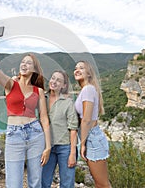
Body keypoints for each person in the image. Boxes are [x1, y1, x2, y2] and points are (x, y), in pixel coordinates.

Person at [0, 28, 51, 188]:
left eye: (28, 62)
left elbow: (44, 118)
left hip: (35, 133)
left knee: (35, 181)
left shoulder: (38, 90)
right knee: (13, 183)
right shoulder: (10, 84)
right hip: (14, 134)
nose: (24, 64)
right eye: (22, 62)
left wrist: (48, 146)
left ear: (34, 69)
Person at [73, 60, 111, 188]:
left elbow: (86, 120)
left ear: (89, 74)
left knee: (102, 184)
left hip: (92, 139)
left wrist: (82, 144)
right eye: (76, 68)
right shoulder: (86, 89)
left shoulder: (88, 89)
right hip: (91, 138)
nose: (77, 70)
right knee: (99, 183)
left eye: (81, 68)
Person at [42, 70, 78, 188]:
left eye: (59, 80)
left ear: (64, 85)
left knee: (67, 184)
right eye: (53, 78)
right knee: (43, 181)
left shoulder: (68, 102)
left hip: (65, 148)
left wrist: (72, 153)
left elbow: (73, 129)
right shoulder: (42, 98)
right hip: (46, 147)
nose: (54, 82)